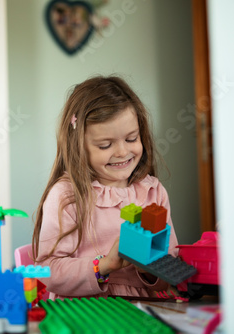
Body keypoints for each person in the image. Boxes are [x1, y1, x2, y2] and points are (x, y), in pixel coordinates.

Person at [32, 75, 179, 299]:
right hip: (82, 309)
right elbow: (47, 271)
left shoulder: (152, 191)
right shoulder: (66, 195)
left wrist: (148, 268)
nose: (122, 152)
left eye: (131, 139)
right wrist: (104, 266)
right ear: (79, 145)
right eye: (105, 145)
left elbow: (169, 271)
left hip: (144, 307)